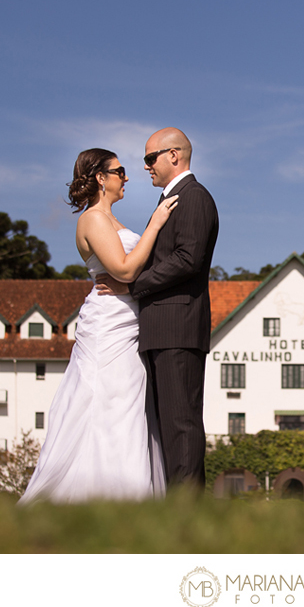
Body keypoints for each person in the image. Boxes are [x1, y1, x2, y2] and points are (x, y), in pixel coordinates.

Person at [18, 148, 178, 504]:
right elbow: (123, 270)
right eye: (119, 171)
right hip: (109, 327)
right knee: (111, 404)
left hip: (129, 323)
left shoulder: (112, 222)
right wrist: (155, 225)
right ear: (100, 178)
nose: (126, 177)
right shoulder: (91, 220)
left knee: (130, 408)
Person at [95, 128, 219, 490]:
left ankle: (187, 509)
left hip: (178, 326)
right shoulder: (172, 199)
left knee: (181, 423)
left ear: (174, 156)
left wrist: (132, 286)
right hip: (161, 328)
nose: (145, 166)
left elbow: (187, 260)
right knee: (167, 425)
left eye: (151, 158)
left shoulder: (194, 197)